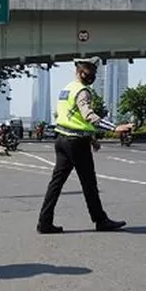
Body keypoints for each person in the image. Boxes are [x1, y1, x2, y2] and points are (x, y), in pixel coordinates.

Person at [37, 57, 133, 234]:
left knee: (56, 183)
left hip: (62, 140)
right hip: (76, 144)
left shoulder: (67, 89)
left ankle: (44, 222)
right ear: (82, 72)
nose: (93, 76)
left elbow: (71, 118)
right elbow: (87, 115)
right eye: (92, 73)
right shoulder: (83, 91)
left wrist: (91, 138)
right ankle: (100, 220)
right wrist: (114, 128)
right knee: (89, 183)